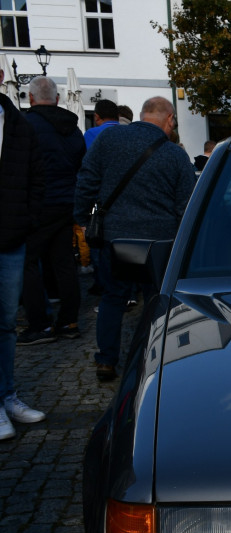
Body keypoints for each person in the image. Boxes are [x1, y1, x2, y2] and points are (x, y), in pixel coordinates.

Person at [74, 96, 197, 381]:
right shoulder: (176, 155)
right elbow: (186, 205)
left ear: (142, 116)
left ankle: (106, 360)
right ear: (169, 120)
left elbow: (87, 180)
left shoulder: (108, 141)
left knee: (112, 298)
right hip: (159, 242)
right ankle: (152, 359)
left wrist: (82, 218)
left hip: (114, 237)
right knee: (155, 300)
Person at [17, 76, 85, 346]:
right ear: (57, 98)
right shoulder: (73, 128)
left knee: (28, 261)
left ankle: (40, 324)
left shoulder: (25, 125)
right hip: (67, 201)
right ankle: (69, 321)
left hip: (38, 203)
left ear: (30, 98)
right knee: (64, 261)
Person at [0, 66, 47, 439]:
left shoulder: (18, 124)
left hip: (9, 236)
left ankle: (7, 395)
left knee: (5, 324)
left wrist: (25, 221)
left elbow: (36, 177)